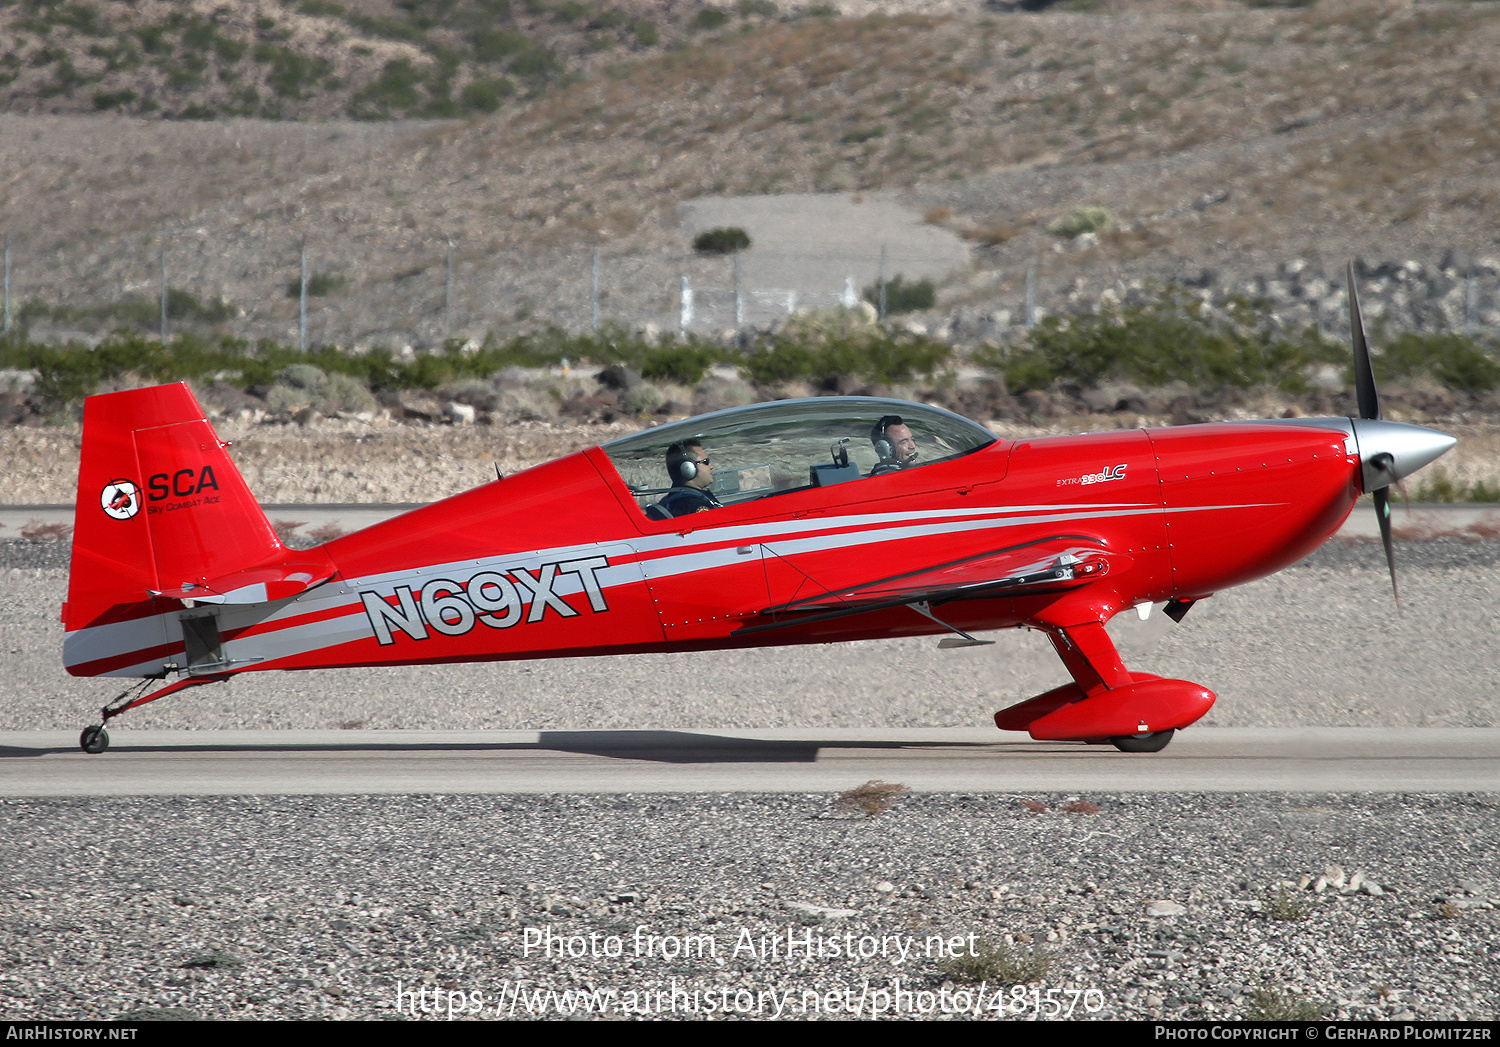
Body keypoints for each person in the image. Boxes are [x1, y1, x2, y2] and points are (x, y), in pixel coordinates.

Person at [652, 440, 723, 518]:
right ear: (688, 468)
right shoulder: (692, 504)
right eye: (705, 462)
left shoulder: (675, 499)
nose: (711, 466)